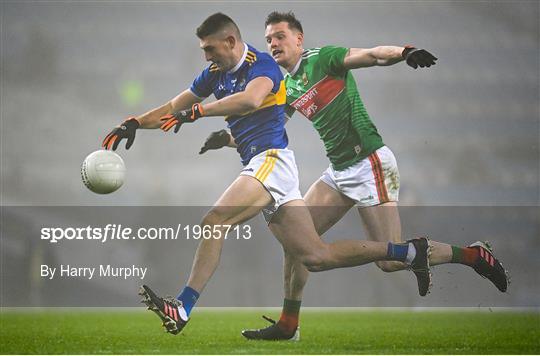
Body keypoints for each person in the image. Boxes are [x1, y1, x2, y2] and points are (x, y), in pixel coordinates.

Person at [101, 12, 432, 336]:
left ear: (230, 41)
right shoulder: (214, 73)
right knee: (315, 256)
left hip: (272, 159)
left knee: (215, 221)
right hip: (265, 164)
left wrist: (199, 112)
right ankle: (408, 252)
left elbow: (251, 100)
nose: (205, 55)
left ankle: (183, 306)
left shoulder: (263, 66)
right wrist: (135, 122)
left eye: (209, 48)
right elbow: (174, 105)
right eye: (203, 49)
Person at [199, 11, 509, 341]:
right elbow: (271, 125)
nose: (273, 43)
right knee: (298, 241)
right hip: (340, 170)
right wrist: (228, 139)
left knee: (389, 261)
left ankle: (475, 255)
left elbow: (372, 55)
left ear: (298, 39)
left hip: (370, 163)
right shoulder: (286, 85)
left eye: (280, 36)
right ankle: (289, 324)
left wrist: (404, 52)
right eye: (268, 39)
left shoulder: (324, 59)